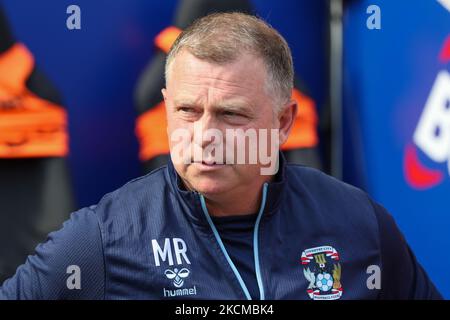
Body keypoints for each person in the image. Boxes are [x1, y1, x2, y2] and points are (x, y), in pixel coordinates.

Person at [0, 12, 442, 300]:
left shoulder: (358, 223)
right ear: (166, 106)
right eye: (187, 111)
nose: (205, 136)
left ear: (284, 123)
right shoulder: (101, 238)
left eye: (231, 115)